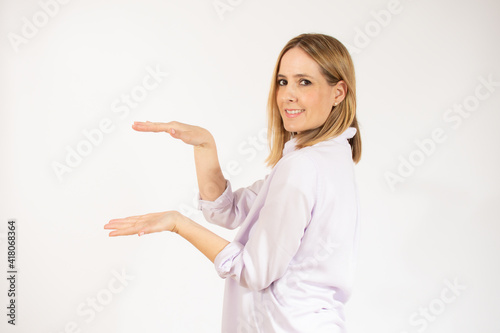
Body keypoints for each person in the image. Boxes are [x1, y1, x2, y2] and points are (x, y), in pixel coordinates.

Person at [104, 33, 362, 332]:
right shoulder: (329, 155)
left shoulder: (304, 167)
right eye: (283, 81)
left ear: (338, 93)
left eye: (304, 82)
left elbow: (254, 272)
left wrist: (178, 223)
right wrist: (204, 146)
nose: (288, 95)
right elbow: (228, 211)